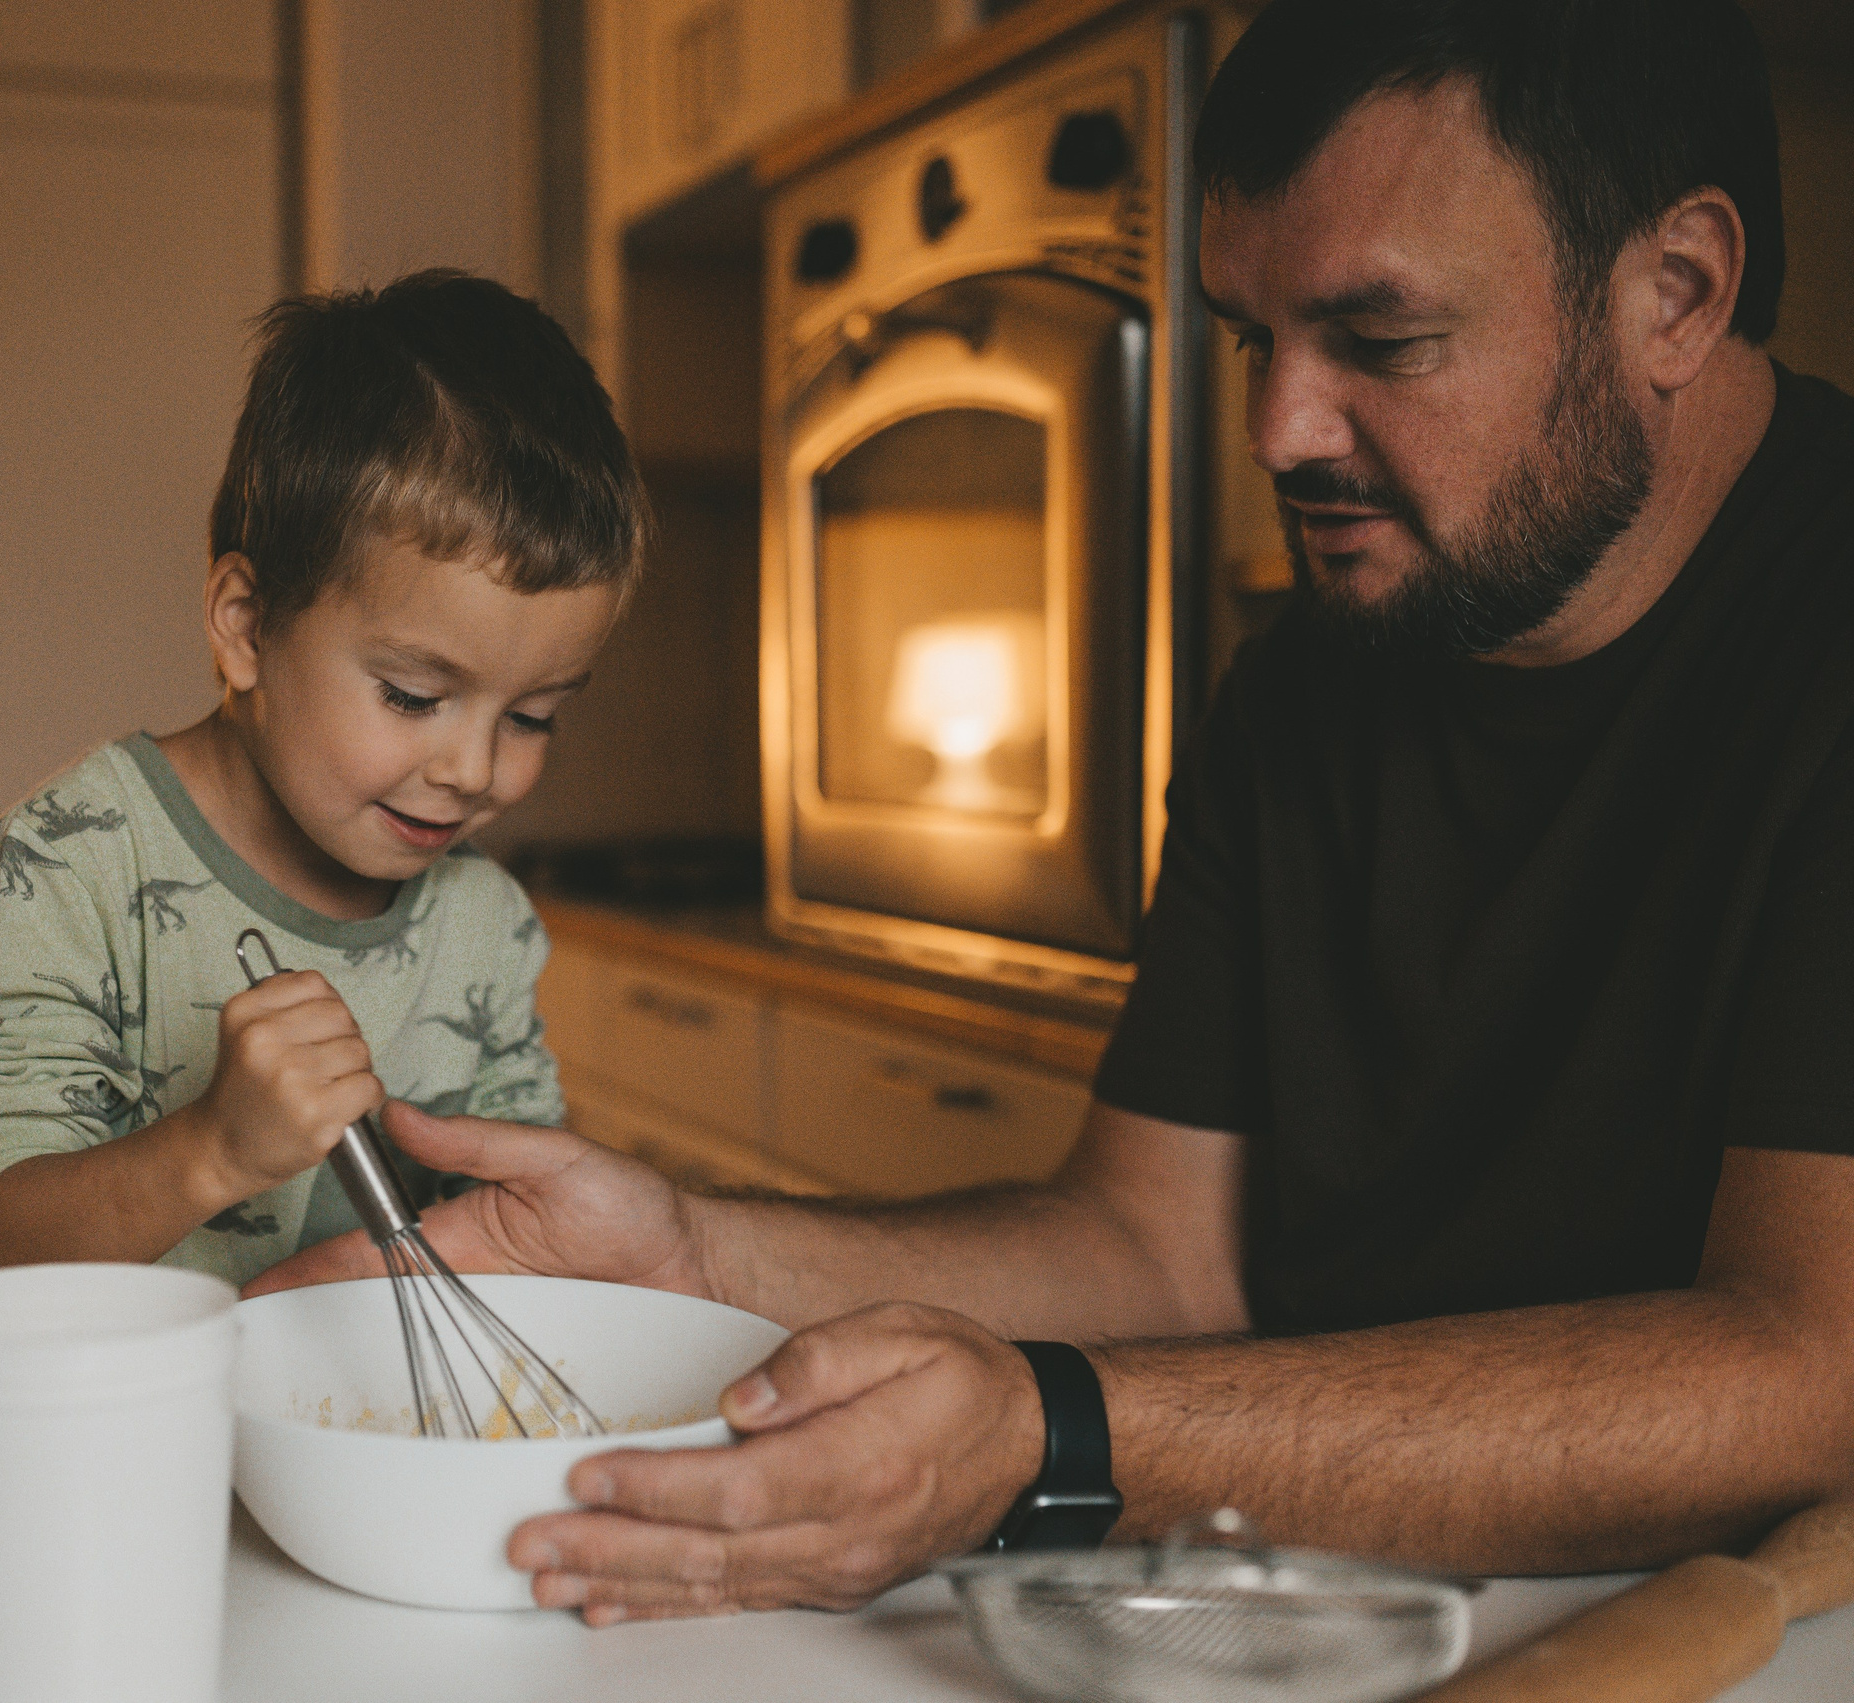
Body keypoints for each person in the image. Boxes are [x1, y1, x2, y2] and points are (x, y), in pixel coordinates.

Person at [251, 0, 1854, 1624]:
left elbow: (1811, 1370)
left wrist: (1053, 1431)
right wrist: (695, 1259)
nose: (1280, 430)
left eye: (1380, 340)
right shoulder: (1304, 688)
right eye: (1253, 339)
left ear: (1676, 291)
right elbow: (1157, 1252)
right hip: (1325, 1612)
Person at [0, 271, 644, 1283]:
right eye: (411, 696)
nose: (476, 771)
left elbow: (521, 1229)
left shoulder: (484, 925)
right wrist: (214, 1147)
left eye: (532, 716)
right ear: (249, 625)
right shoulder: (72, 865)